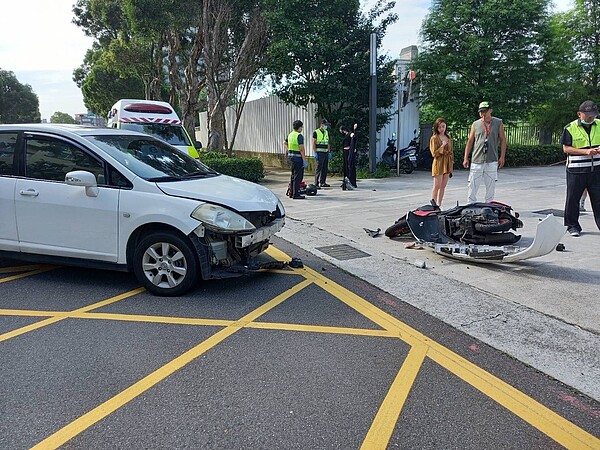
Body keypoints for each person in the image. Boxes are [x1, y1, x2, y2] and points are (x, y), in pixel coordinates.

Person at [559, 100, 600, 236]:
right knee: (573, 199)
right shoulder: (570, 128)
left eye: (593, 115)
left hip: (596, 170)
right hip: (576, 170)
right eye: (588, 115)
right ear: (579, 114)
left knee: (598, 199)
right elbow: (566, 148)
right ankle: (572, 226)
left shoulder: (599, 125)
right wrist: (586, 152)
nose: (591, 117)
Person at [463, 101, 507, 203]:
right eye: (481, 112)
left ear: (490, 111)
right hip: (477, 159)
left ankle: (489, 204)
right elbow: (470, 141)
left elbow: (503, 139)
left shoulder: (498, 122)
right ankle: (471, 204)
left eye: (485, 111)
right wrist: (466, 157)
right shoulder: (476, 124)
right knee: (472, 184)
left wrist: (502, 156)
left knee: (491, 185)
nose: (482, 114)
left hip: (492, 159)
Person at [429, 117, 454, 207]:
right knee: (437, 186)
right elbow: (434, 153)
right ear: (437, 128)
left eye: (443, 126)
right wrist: (442, 146)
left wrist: (451, 165)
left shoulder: (448, 137)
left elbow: (451, 151)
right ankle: (433, 204)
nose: (442, 129)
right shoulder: (434, 138)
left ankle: (439, 204)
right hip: (439, 163)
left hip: (447, 163)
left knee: (443, 186)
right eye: (440, 127)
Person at [283, 120, 308, 199]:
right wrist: (304, 160)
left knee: (293, 176)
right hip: (298, 158)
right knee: (298, 177)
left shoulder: (290, 134)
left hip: (291, 158)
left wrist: (289, 149)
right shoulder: (299, 136)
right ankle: (296, 194)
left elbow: (284, 142)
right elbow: (301, 149)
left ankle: (291, 192)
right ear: (299, 127)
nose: (302, 128)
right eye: (302, 127)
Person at [313, 119, 331, 188]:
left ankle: (323, 182)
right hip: (319, 153)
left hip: (325, 152)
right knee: (318, 168)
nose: (326, 126)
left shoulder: (326, 132)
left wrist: (329, 152)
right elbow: (314, 143)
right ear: (322, 124)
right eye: (325, 125)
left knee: (325, 168)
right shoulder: (316, 132)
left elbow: (328, 143)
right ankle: (316, 183)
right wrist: (315, 153)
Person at [343, 122, 358, 189]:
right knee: (346, 166)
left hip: (349, 152)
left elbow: (354, 137)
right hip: (345, 152)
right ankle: (346, 180)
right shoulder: (345, 135)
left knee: (350, 166)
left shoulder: (350, 134)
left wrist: (354, 130)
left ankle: (352, 181)